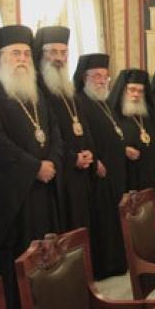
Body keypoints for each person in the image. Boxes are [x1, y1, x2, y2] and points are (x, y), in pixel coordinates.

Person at [0, 25, 63, 309]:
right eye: (15, 53)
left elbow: (53, 132)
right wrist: (35, 167)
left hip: (41, 191)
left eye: (25, 53)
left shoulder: (34, 93)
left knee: (42, 255)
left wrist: (52, 161)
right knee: (17, 256)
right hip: (9, 198)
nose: (22, 59)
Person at [34, 26, 94, 232]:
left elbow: (83, 125)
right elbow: (49, 134)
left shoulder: (68, 88)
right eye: (53, 52)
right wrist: (71, 158)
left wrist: (89, 152)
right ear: (41, 54)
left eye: (63, 52)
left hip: (80, 171)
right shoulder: (36, 90)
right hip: (59, 174)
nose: (59, 58)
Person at [73, 53, 127, 279]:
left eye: (105, 76)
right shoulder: (80, 102)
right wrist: (96, 159)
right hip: (98, 172)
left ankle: (118, 261)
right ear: (84, 77)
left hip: (115, 169)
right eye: (96, 76)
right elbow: (82, 137)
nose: (102, 81)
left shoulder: (105, 101)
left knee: (114, 216)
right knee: (102, 218)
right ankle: (105, 266)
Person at [110, 68, 155, 191]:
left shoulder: (149, 113)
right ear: (123, 90)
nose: (136, 94)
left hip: (151, 174)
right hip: (127, 175)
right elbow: (107, 143)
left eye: (140, 91)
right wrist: (123, 149)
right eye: (132, 89)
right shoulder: (113, 113)